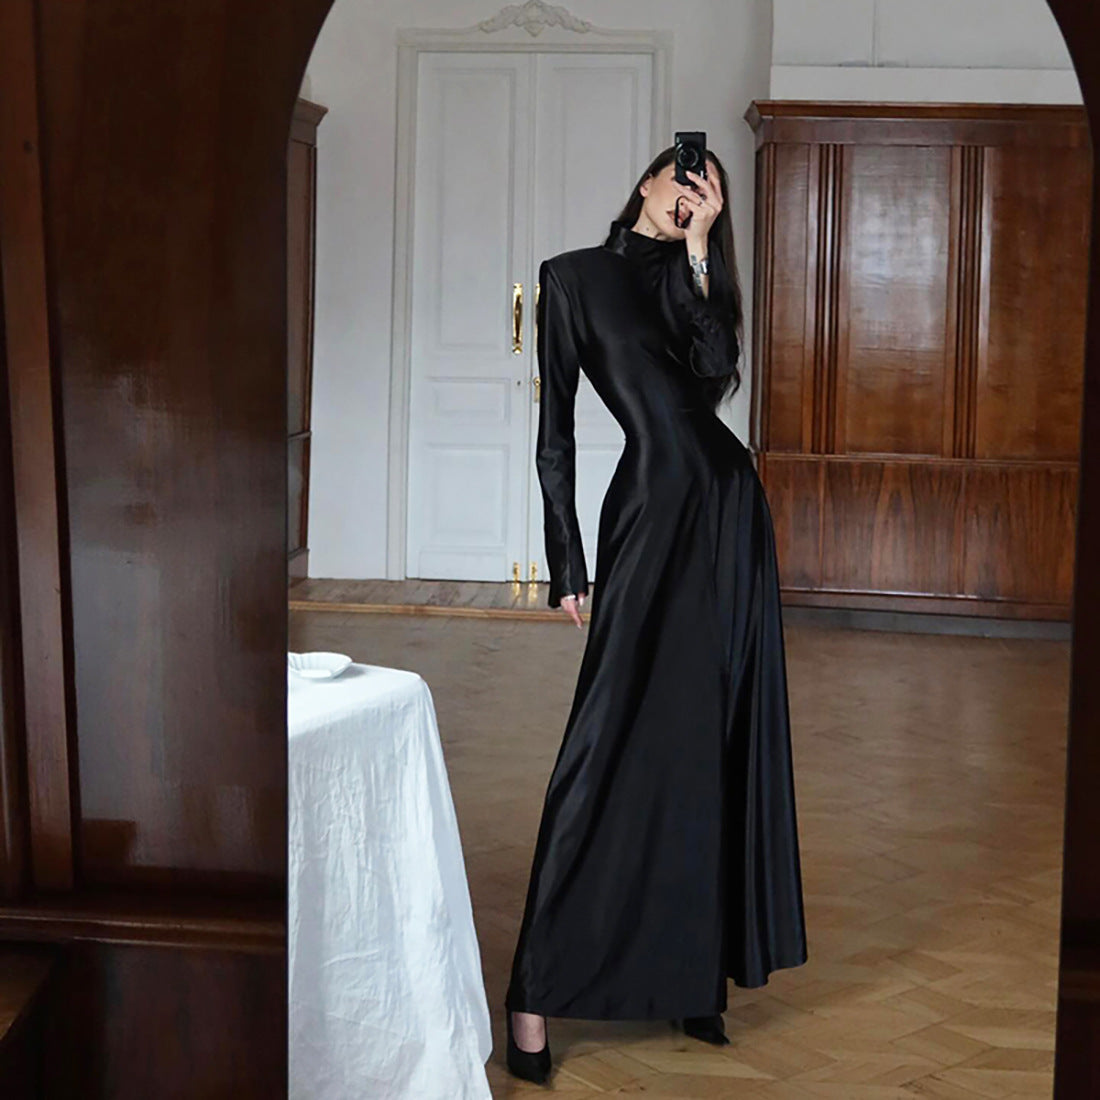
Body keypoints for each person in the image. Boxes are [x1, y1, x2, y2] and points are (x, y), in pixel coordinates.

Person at [504, 145, 808, 1085]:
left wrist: (703, 250)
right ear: (646, 181)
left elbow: (715, 377)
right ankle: (531, 997)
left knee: (708, 735)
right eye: (683, 181)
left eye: (707, 191)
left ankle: (690, 977)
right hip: (648, 511)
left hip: (728, 510)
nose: (690, 197)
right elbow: (555, 432)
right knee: (604, 741)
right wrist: (566, 561)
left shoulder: (695, 278)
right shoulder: (571, 279)